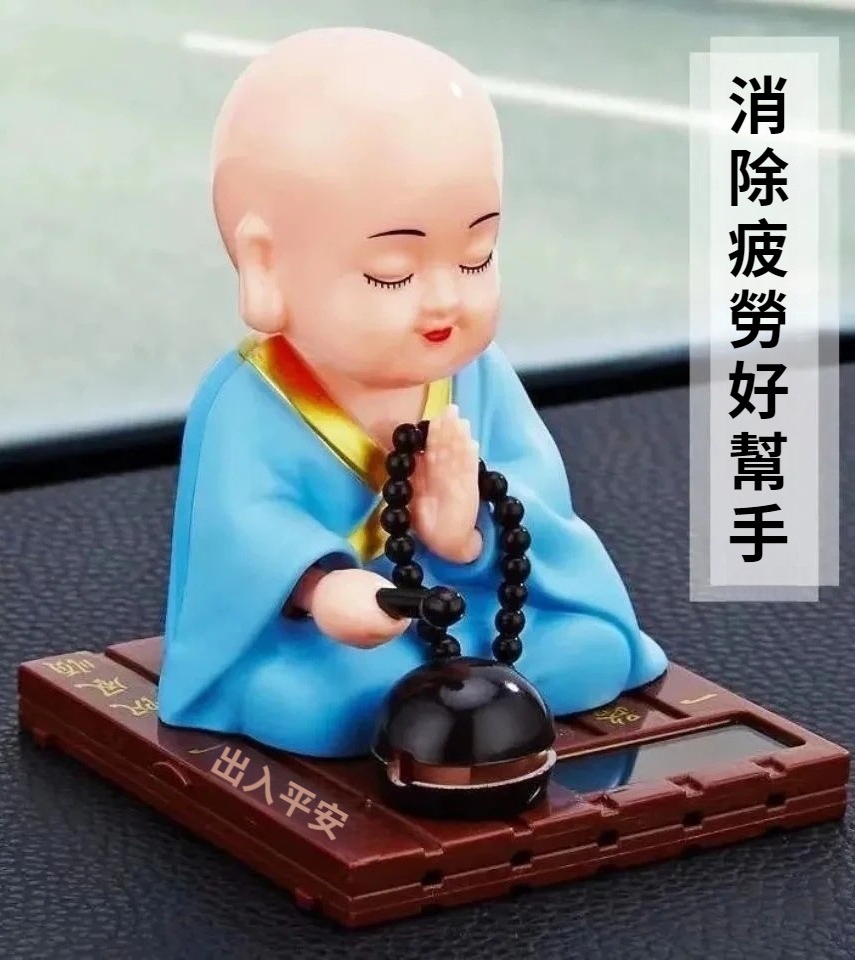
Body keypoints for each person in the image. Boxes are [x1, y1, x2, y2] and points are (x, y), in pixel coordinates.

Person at [157, 27, 668, 758]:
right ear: (265, 266)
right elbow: (243, 529)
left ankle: (457, 687)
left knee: (589, 650)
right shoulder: (254, 398)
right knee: (321, 704)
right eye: (392, 272)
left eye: (476, 258)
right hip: (339, 638)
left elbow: (537, 490)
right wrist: (322, 587)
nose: (445, 300)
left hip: (480, 602)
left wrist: (468, 533)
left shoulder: (476, 376)